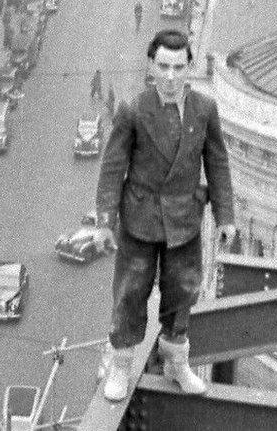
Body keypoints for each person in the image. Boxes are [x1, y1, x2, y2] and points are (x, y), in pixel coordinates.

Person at [95, 29, 237, 401]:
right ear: (151, 66)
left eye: (178, 67)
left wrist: (225, 217)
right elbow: (113, 167)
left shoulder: (204, 110)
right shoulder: (133, 109)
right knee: (130, 293)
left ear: (189, 66)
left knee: (182, 293)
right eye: (163, 66)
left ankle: (176, 362)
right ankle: (121, 363)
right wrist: (105, 221)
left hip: (184, 219)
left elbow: (217, 163)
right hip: (140, 218)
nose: (171, 76)